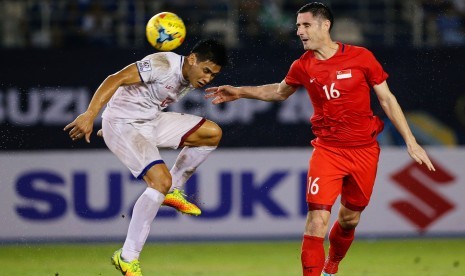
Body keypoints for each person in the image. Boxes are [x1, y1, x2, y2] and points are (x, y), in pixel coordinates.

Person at [205, 2, 435, 276]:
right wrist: (240, 92)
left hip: (364, 151)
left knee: (350, 219)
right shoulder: (303, 66)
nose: (300, 31)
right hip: (328, 151)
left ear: (325, 25)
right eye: (298, 26)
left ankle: (332, 266)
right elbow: (279, 92)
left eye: (306, 25)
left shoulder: (361, 57)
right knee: (316, 221)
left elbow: (386, 99)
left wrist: (411, 140)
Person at [64, 39, 228, 276]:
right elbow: (116, 78)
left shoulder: (189, 77)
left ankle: (173, 190)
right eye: (206, 71)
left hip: (149, 121)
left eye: (213, 75)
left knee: (211, 134)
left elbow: (140, 98)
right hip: (125, 124)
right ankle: (127, 257)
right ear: (192, 59)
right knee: (160, 181)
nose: (208, 79)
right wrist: (92, 115)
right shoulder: (162, 64)